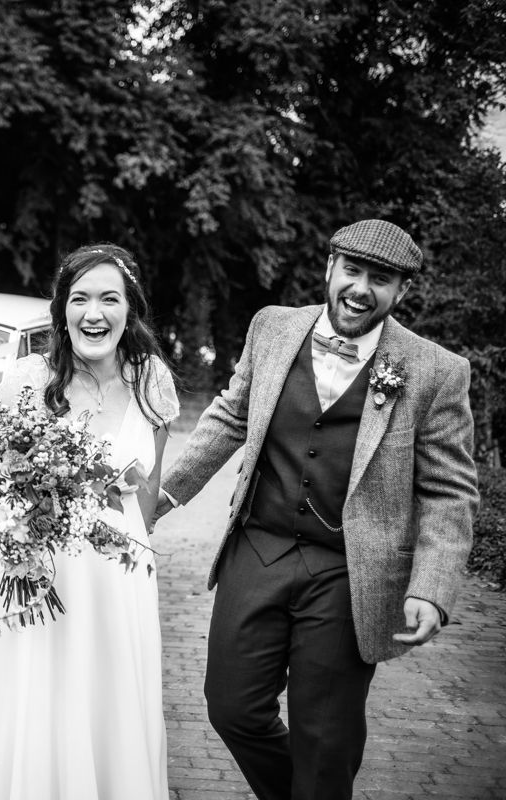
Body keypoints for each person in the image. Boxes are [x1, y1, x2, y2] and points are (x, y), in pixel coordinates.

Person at [160, 219, 479, 800]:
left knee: (325, 737)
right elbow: (232, 416)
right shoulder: (273, 327)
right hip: (258, 547)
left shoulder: (436, 370)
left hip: (349, 569)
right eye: (352, 271)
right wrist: (164, 494)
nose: (360, 289)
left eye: (379, 280)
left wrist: (432, 585)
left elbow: (449, 490)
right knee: (232, 708)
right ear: (329, 267)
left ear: (401, 291)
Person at [0, 243, 179, 800]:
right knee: (30, 704)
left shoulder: (152, 382)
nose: (93, 313)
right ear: (62, 310)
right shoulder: (27, 377)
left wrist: (120, 556)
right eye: (80, 299)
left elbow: (146, 497)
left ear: (130, 309)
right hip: (31, 573)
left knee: (104, 703)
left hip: (115, 583)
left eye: (109, 299)